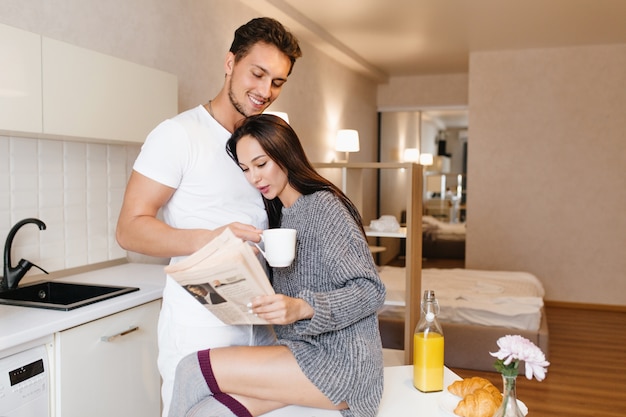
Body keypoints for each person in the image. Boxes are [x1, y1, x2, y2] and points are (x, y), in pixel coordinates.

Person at [115, 18, 302, 416]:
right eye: (258, 73)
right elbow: (129, 228)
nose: (265, 91)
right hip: (202, 326)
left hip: (264, 323)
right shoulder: (178, 135)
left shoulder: (271, 136)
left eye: (278, 82)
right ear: (230, 63)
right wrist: (214, 237)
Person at [167, 114, 386, 417]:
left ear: (285, 154)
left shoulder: (324, 207)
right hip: (302, 354)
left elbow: (371, 290)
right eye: (245, 169)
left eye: (261, 164)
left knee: (191, 369)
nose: (254, 178)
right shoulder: (281, 216)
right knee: (206, 412)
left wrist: (304, 308)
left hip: (341, 364)